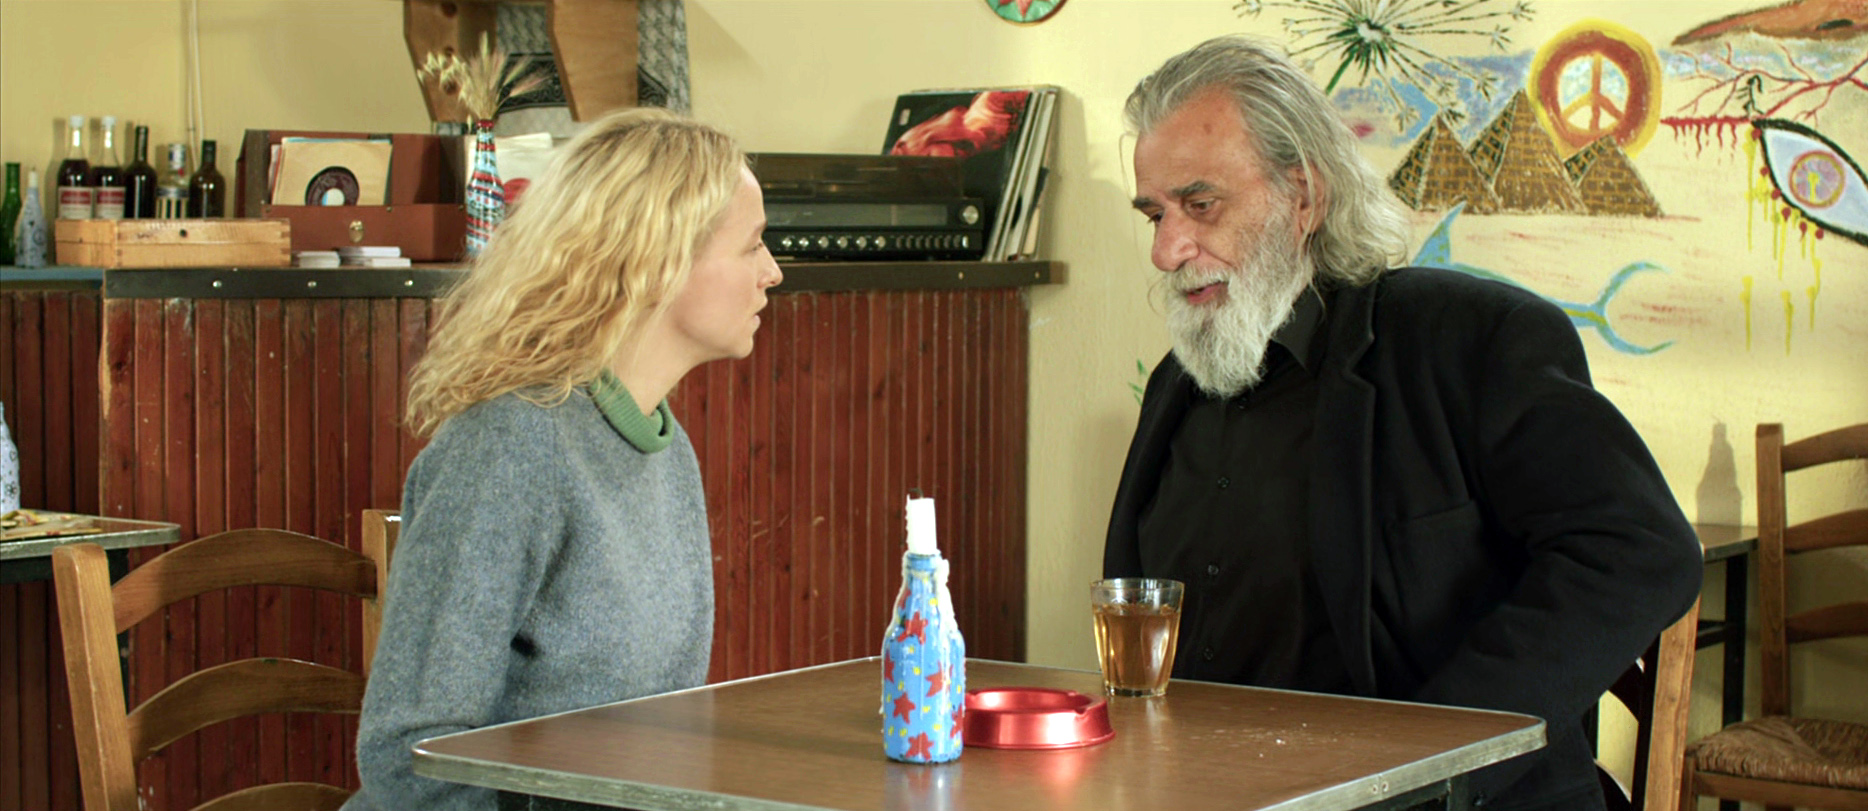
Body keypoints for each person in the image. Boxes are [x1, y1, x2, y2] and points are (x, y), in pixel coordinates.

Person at [1104, 35, 1703, 811]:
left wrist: (1435, 760)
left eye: (1200, 205)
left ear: (1304, 197)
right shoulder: (1174, 387)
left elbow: (1639, 549)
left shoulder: (1467, 340)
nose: (1166, 249)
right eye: (1155, 213)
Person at [345, 108, 782, 811]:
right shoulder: (508, 446)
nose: (772, 272)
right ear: (659, 259)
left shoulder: (665, 449)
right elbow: (411, 760)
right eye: (752, 244)